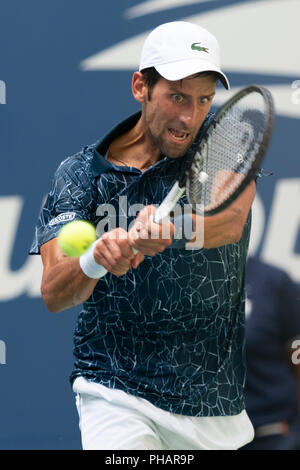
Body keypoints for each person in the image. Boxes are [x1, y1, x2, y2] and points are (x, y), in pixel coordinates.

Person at [29, 21, 257, 450]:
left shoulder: (224, 146)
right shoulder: (80, 176)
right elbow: (55, 292)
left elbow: (229, 222)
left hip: (214, 407)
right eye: (176, 97)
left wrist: (170, 231)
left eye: (203, 99)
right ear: (140, 86)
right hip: (114, 391)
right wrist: (98, 256)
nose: (189, 117)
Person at [241, 256, 300, 450]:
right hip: (199, 435)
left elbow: (297, 354)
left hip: (269, 433)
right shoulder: (184, 281)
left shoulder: (273, 282)